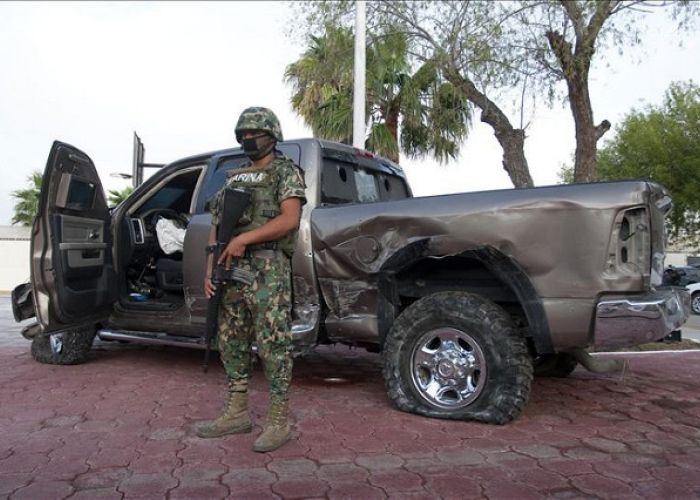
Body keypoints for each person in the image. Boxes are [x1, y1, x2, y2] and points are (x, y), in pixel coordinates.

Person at [194, 107, 306, 452]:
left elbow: (289, 220)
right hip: (230, 268)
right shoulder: (233, 177)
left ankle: (278, 420)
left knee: (273, 343)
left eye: (254, 133)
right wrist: (210, 265)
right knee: (231, 339)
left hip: (267, 267)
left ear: (272, 135)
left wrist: (245, 239)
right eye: (242, 134)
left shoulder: (285, 171)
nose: (247, 139)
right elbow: (217, 225)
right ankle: (237, 412)